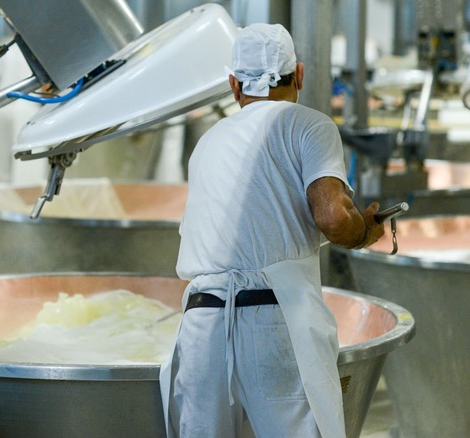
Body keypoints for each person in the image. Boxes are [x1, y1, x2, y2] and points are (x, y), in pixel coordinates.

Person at [159, 23, 385, 437]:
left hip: (201, 325)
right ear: (299, 75)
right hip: (272, 321)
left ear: (233, 86)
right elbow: (334, 218)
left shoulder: (207, 141)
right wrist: (365, 231)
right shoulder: (308, 125)